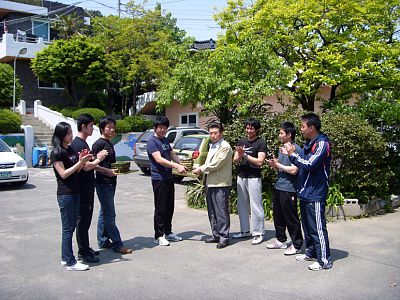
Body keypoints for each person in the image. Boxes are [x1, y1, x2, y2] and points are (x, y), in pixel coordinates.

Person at [284, 113, 333, 271]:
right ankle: (311, 252)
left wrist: (292, 155)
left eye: (303, 126)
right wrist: (292, 155)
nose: (301, 129)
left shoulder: (322, 144)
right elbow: (303, 164)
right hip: (305, 192)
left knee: (317, 228)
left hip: (316, 193)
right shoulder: (309, 143)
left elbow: (310, 164)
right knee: (307, 226)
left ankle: (324, 260)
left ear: (311, 127)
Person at [51, 122, 92, 271]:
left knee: (71, 227)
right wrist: (80, 162)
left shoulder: (71, 150)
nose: (71, 136)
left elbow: (77, 171)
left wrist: (82, 161)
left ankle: (65, 258)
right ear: (61, 135)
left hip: (75, 192)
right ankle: (70, 261)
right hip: (65, 194)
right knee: (68, 228)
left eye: (71, 133)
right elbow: (63, 174)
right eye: (68, 133)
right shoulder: (57, 152)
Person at [70, 114, 108, 263]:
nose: (93, 128)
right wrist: (100, 158)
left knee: (86, 220)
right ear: (83, 126)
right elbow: (85, 167)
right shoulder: (78, 145)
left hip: (87, 187)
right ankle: (83, 252)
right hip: (82, 189)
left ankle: (85, 247)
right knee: (82, 220)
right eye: (91, 125)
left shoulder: (83, 143)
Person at [92, 116, 133, 254]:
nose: (111, 129)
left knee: (104, 212)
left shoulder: (109, 143)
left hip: (111, 182)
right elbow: (91, 166)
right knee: (110, 214)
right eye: (108, 127)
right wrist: (107, 171)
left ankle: (103, 241)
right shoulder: (99, 144)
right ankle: (117, 244)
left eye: (113, 127)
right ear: (102, 128)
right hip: (103, 183)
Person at [147, 116, 187, 246]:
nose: (163, 130)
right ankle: (159, 235)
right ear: (155, 128)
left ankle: (168, 232)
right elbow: (159, 159)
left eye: (165, 128)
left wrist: (182, 163)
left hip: (169, 177)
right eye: (160, 128)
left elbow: (171, 154)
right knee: (160, 208)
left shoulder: (164, 140)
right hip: (159, 178)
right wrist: (176, 166)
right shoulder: (152, 141)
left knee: (170, 206)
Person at [193, 122, 233, 249]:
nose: (213, 135)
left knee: (221, 211)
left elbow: (217, 163)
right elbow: (209, 162)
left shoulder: (225, 147)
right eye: (211, 133)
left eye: (215, 133)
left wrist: (201, 169)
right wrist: (199, 168)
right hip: (210, 182)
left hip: (220, 183)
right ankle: (215, 234)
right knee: (211, 211)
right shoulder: (212, 145)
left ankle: (224, 237)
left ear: (221, 133)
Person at [266, 121, 303, 255]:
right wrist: (275, 164)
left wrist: (279, 166)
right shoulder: (281, 149)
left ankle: (297, 244)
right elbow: (281, 167)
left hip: (290, 188)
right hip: (279, 185)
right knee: (278, 215)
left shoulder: (296, 149)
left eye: (281, 133)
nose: (279, 135)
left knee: (291, 217)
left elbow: (294, 170)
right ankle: (280, 240)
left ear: (289, 134)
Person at [232, 118, 267, 245]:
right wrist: (239, 155)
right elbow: (235, 160)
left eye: (251, 128)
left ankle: (258, 232)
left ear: (256, 129)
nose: (249, 130)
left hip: (254, 177)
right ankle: (245, 230)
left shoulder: (261, 142)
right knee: (242, 205)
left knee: (255, 205)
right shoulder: (242, 141)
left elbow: (260, 162)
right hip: (241, 176)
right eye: (247, 128)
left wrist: (245, 155)